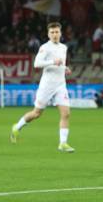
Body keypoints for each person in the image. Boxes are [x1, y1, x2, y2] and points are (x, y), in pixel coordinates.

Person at [10, 22, 75, 152]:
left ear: (60, 33)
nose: (55, 35)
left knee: (66, 113)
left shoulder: (63, 47)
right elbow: (37, 63)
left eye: (57, 32)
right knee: (36, 113)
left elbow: (59, 64)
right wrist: (52, 62)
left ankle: (63, 143)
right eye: (52, 32)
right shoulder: (45, 47)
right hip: (47, 85)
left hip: (60, 85)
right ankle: (17, 127)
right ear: (48, 34)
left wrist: (65, 68)